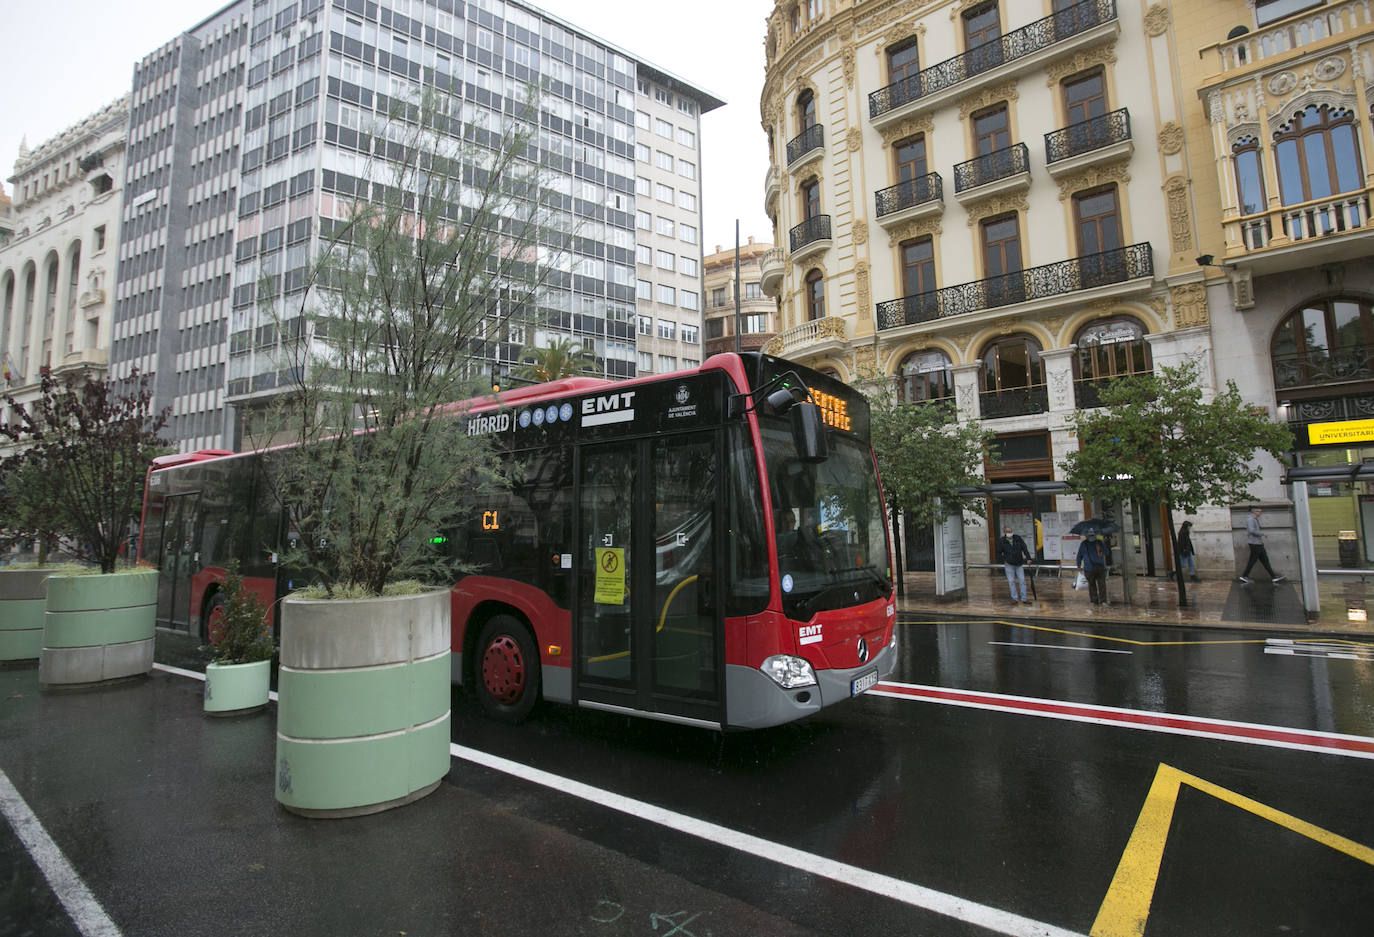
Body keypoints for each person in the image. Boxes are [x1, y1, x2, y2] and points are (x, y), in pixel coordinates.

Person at [1238, 506, 1285, 584]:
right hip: (1254, 543)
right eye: (1259, 511)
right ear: (1254, 512)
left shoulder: (1254, 519)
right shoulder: (1251, 520)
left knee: (1265, 560)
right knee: (1253, 561)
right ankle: (1244, 576)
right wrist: (1262, 534)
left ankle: (1273, 576)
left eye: (1260, 511)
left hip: (1258, 543)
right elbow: (1251, 530)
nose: (1260, 513)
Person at [996, 525, 1032, 604]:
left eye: (1010, 531)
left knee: (1022, 580)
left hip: (1019, 563)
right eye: (1008, 532)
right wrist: (1004, 560)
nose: (1010, 533)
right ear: (1005, 532)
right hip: (1009, 564)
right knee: (1011, 581)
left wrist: (1028, 558)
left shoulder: (1017, 538)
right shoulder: (1001, 541)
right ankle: (1014, 598)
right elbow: (998, 552)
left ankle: (1024, 598)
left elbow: (1024, 548)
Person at [1077, 534, 1110, 605]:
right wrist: (1078, 565)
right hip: (1089, 568)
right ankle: (1094, 600)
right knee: (1092, 585)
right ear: (1086, 536)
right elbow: (1079, 555)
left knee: (1102, 585)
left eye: (1092, 535)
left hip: (1100, 567)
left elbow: (1106, 553)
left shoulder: (1099, 542)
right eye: (1089, 535)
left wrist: (1101, 547)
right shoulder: (1084, 544)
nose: (1091, 536)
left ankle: (1103, 600)